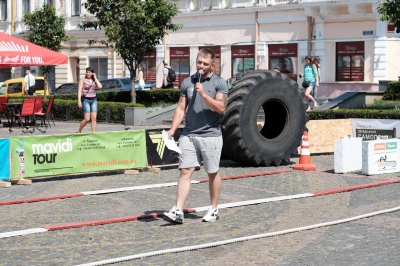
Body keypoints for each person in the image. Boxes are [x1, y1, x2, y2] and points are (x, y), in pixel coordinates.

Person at [162, 48, 229, 224]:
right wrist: (172, 129)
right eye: (199, 62)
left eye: (205, 64)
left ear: (212, 65)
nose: (201, 66)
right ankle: (178, 210)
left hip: (211, 134)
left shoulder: (219, 83)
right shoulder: (186, 82)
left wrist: (204, 94)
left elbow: (221, 108)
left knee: (212, 172)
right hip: (189, 133)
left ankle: (213, 209)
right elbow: (180, 108)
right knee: (185, 171)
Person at [76, 67, 102, 133]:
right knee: (87, 119)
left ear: (92, 73)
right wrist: (79, 101)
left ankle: (94, 132)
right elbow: (79, 91)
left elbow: (100, 87)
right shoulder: (82, 80)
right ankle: (79, 130)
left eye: (89, 72)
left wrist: (95, 78)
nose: (88, 73)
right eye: (87, 72)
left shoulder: (94, 80)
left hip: (94, 100)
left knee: (94, 118)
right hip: (86, 100)